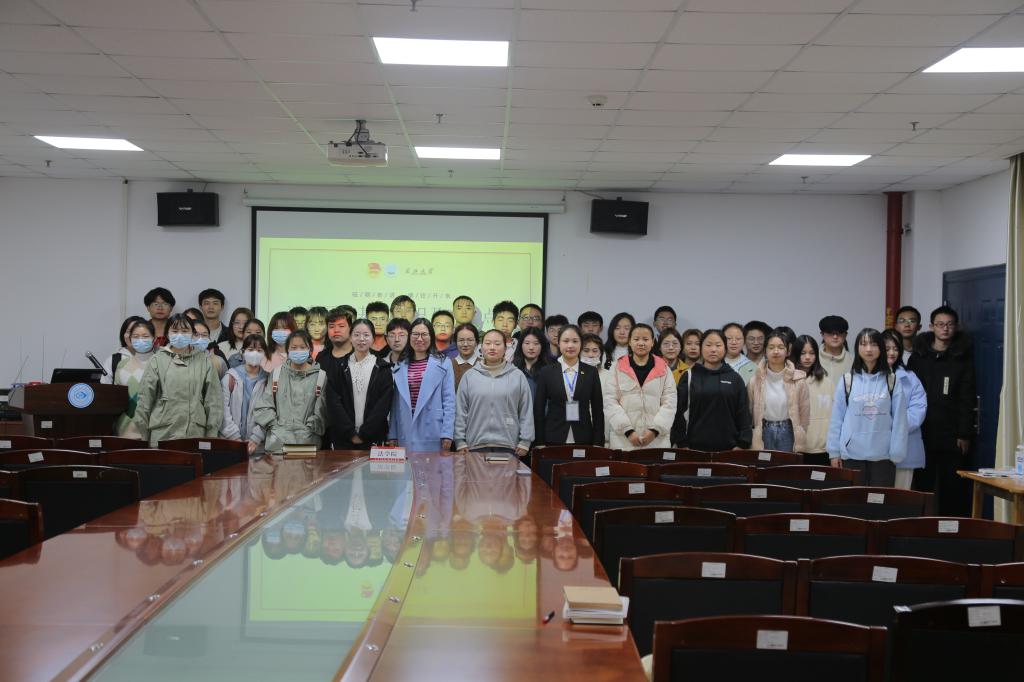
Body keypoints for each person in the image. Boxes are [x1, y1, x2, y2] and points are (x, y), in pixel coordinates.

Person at [908, 305, 976, 515]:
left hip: (951, 434)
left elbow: (967, 398)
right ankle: (922, 525)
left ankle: (951, 527)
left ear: (955, 327)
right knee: (923, 485)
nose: (945, 329)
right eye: (940, 324)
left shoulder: (962, 357)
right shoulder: (918, 357)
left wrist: (964, 433)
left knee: (952, 487)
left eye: (949, 324)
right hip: (922, 431)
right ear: (931, 327)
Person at [826, 328, 908, 486]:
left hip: (884, 457)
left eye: (874, 344)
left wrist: (896, 453)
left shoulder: (892, 381)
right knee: (853, 500)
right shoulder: (847, 380)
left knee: (879, 500)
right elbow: (837, 419)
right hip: (851, 456)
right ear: (857, 348)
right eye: (863, 344)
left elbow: (900, 420)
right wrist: (834, 452)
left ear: (881, 348)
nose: (868, 349)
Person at [134, 314, 223, 446]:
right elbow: (144, 400)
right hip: (162, 434)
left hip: (194, 434)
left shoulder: (204, 361)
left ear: (192, 334)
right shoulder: (157, 360)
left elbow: (213, 402)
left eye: (185, 331)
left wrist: (211, 436)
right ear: (167, 334)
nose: (180, 335)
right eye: (175, 331)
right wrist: (144, 436)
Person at [454, 329, 534, 457]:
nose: (492, 347)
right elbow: (461, 411)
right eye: (488, 343)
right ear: (481, 348)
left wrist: (525, 441)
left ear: (505, 348)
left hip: (509, 446)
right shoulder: (470, 376)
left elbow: (526, 410)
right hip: (474, 445)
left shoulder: (517, 376)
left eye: (497, 344)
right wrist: (460, 441)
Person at [671, 329, 752, 451]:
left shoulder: (735, 378)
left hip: (729, 450)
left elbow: (743, 413)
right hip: (693, 449)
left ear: (725, 348)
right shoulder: (689, 376)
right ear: (701, 348)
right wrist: (681, 442)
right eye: (708, 345)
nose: (713, 349)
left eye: (718, 345)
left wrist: (742, 443)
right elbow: (678, 412)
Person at [604, 323, 676, 451]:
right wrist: (628, 431)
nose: (641, 343)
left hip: (656, 441)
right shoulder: (617, 367)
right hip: (623, 440)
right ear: (630, 342)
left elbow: (670, 403)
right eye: (636, 339)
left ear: (652, 342)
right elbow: (610, 401)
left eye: (645, 339)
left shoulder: (664, 368)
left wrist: (654, 431)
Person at [324, 319, 395, 450]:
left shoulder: (383, 368)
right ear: (350, 338)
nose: (361, 339)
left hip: (373, 438)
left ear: (373, 338)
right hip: (343, 438)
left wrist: (364, 433)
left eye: (366, 335)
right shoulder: (339, 367)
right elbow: (333, 403)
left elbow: (383, 405)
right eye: (356, 335)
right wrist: (350, 433)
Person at [253, 330, 327, 454]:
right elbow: (265, 406)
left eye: (302, 347)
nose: (298, 351)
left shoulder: (321, 376)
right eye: (294, 347)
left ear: (310, 349)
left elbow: (322, 413)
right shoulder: (276, 374)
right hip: (277, 445)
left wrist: (309, 428)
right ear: (287, 350)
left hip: (308, 445)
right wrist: (276, 427)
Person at [388, 318, 456, 452]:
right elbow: (395, 404)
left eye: (424, 334)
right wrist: (393, 433)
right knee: (407, 465)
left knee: (432, 465)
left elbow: (449, 401)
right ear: (409, 337)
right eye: (415, 334)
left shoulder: (444, 363)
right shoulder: (400, 364)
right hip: (405, 428)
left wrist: (447, 433)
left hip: (433, 429)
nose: (419, 339)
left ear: (431, 337)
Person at [534, 325, 604, 446]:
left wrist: (598, 442)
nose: (570, 345)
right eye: (566, 341)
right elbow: (538, 410)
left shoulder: (591, 372)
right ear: (558, 343)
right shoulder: (546, 372)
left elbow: (597, 410)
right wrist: (539, 442)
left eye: (575, 341)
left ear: (581, 344)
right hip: (553, 436)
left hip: (584, 437)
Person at [747, 330, 809, 452]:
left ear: (788, 351)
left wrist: (801, 432)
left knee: (786, 464)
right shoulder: (755, 380)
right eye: (771, 347)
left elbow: (804, 413)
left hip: (789, 430)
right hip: (763, 430)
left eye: (781, 347)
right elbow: (749, 410)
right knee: (764, 463)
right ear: (765, 351)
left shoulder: (798, 379)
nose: (776, 351)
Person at [883, 329, 927, 490]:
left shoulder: (910, 377)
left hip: (905, 443)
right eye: (887, 349)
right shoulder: (867, 377)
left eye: (896, 349)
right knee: (877, 496)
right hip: (875, 444)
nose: (892, 353)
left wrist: (896, 427)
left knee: (900, 494)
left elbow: (918, 410)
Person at [220, 333, 269, 455]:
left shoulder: (268, 380)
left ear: (264, 354)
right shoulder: (230, 377)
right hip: (229, 444)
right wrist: (234, 437)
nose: (255, 353)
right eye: (250, 350)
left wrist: (255, 438)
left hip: (258, 447)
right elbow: (222, 409)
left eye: (259, 350)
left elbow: (268, 413)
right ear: (243, 352)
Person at [792, 335, 834, 465]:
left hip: (823, 449)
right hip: (796, 449)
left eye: (812, 353)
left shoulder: (827, 382)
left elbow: (835, 416)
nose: (807, 357)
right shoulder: (789, 381)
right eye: (803, 353)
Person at [112, 319, 156, 439]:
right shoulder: (122, 365)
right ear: (130, 339)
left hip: (154, 427)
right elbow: (117, 398)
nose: (140, 340)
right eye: (136, 336)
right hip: (126, 427)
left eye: (145, 336)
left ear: (154, 338)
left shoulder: (161, 362)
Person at [102, 315, 146, 385]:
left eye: (137, 332)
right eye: (129, 331)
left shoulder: (154, 359)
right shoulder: (113, 360)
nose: (132, 336)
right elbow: (105, 389)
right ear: (123, 334)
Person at [512, 327, 552, 400]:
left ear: (542, 346)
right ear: (521, 345)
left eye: (536, 343)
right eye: (527, 343)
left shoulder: (549, 371)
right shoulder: (512, 370)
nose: (531, 347)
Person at [316, 308, 353, 379]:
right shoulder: (322, 357)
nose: (336, 330)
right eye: (331, 326)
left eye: (341, 326)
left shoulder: (362, 355)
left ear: (351, 329)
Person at [450, 323, 480, 391]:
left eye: (470, 340)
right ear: (456, 342)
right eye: (461, 340)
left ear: (476, 342)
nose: (465, 344)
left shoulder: (484, 365)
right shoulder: (449, 365)